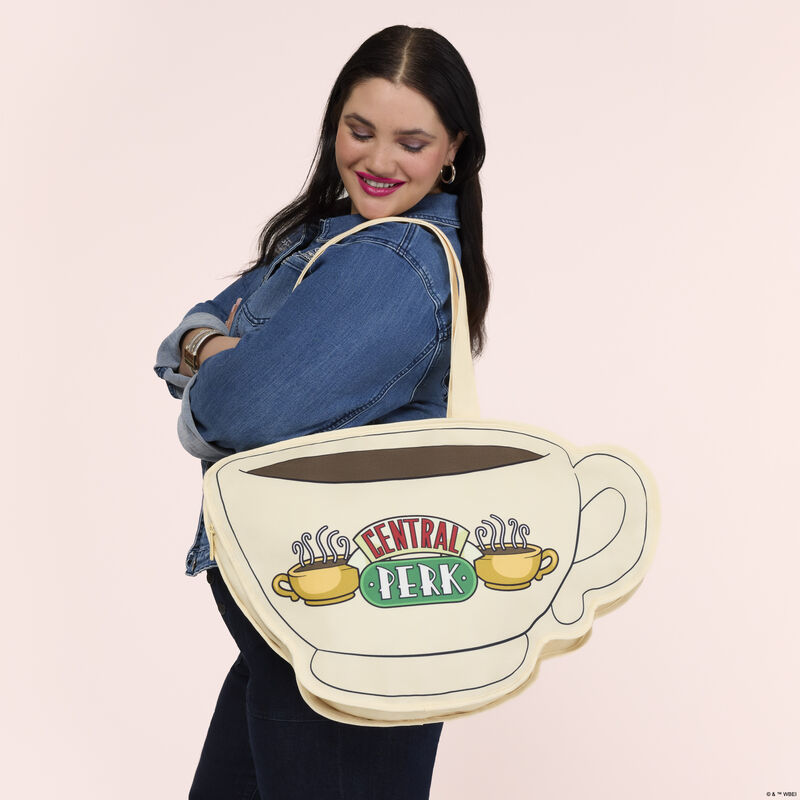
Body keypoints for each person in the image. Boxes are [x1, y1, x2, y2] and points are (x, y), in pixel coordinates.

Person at [153, 24, 489, 800]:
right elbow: (187, 327)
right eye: (359, 130)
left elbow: (241, 412)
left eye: (412, 141)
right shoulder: (323, 236)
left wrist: (215, 361)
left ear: (453, 149)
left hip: (347, 634)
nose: (376, 161)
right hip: (297, 635)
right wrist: (211, 345)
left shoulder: (394, 259)